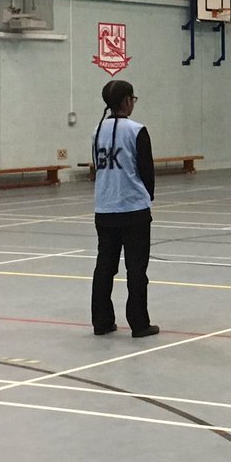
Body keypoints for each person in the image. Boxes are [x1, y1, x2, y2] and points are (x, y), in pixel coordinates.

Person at [90, 80, 159, 338]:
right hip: (133, 209)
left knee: (105, 267)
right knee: (136, 269)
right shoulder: (137, 130)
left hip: (105, 207)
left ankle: (102, 321)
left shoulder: (97, 130)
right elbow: (146, 169)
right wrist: (147, 197)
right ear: (126, 101)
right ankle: (139, 323)